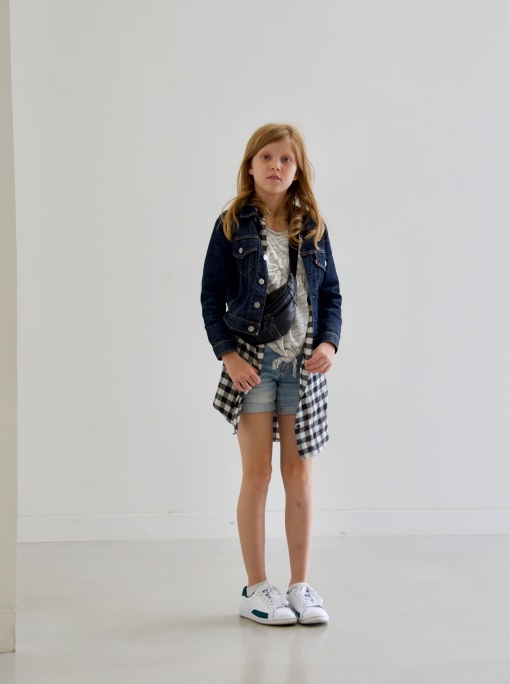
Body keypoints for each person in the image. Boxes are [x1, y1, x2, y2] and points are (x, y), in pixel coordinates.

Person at [200, 123, 342, 626]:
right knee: (257, 475)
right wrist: (228, 356)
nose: (276, 166)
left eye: (286, 159)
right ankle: (257, 587)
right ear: (250, 165)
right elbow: (210, 296)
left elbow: (331, 295)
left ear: (298, 169)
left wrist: (328, 342)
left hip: (302, 368)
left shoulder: (313, 226)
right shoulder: (231, 224)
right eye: (267, 157)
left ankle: (300, 586)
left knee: (299, 476)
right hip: (252, 366)